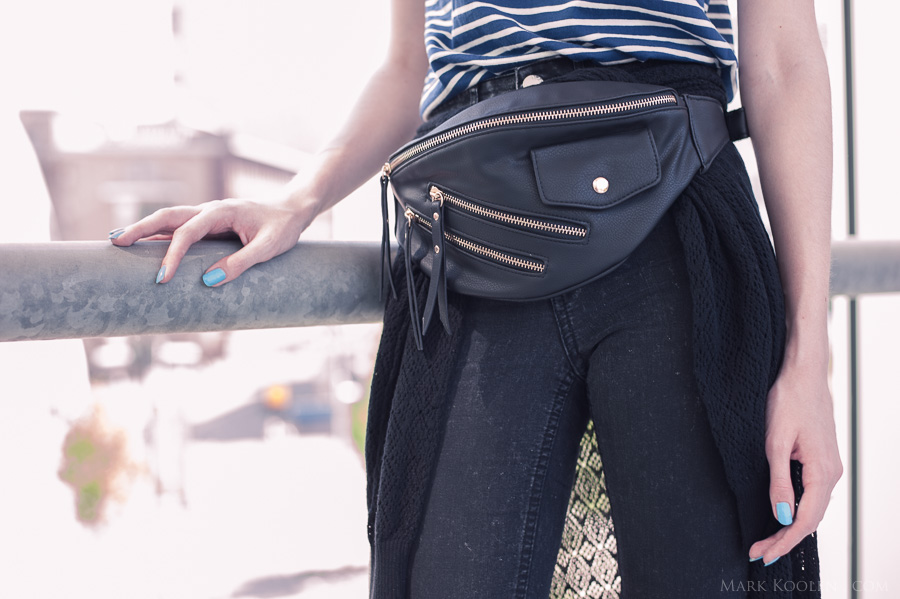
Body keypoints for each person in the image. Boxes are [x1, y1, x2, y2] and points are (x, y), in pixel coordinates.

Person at [111, 0, 843, 596]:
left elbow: (782, 58)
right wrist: (297, 201)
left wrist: (809, 358)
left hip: (673, 217)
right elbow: (410, 66)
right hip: (473, 234)